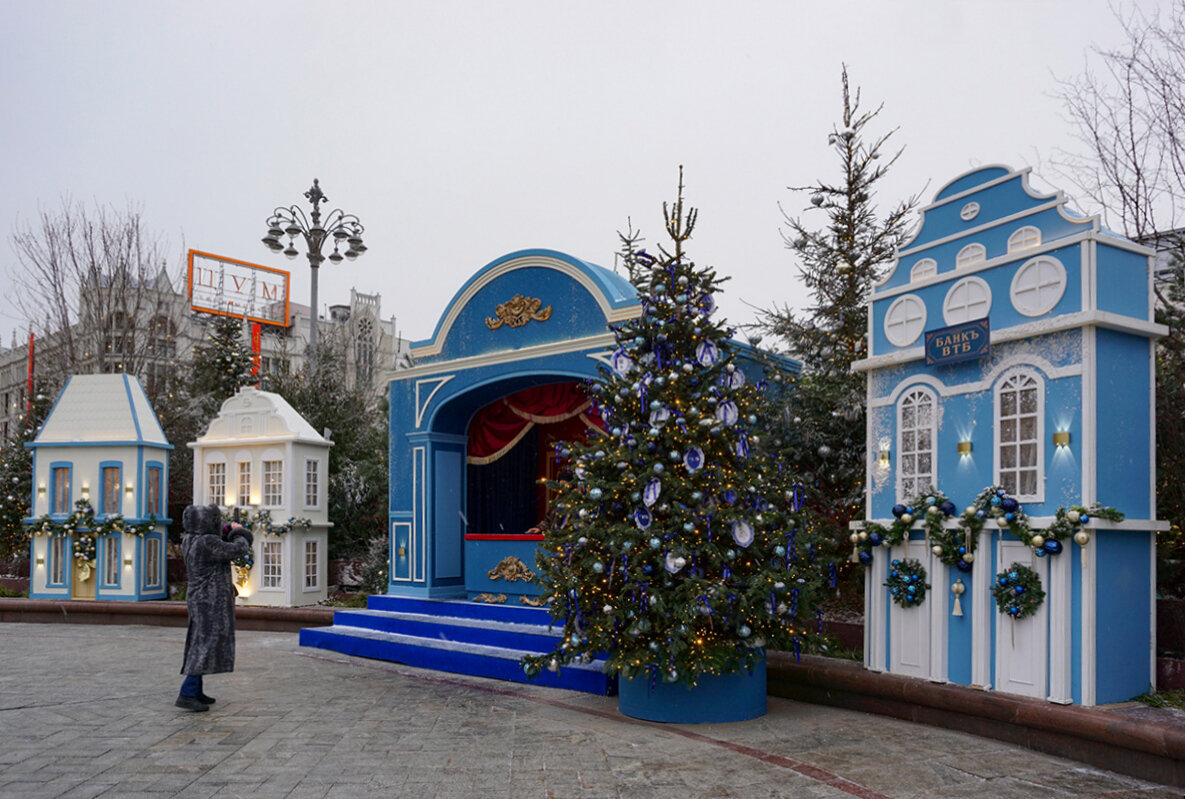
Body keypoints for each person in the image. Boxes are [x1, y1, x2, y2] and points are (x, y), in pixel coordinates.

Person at [176, 504, 253, 712]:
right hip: (210, 601)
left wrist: (227, 529)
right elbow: (238, 550)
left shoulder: (190, 539)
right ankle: (188, 692)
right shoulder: (207, 542)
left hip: (198, 599)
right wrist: (240, 533)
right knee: (206, 644)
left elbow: (217, 540)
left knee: (200, 641)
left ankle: (196, 690)